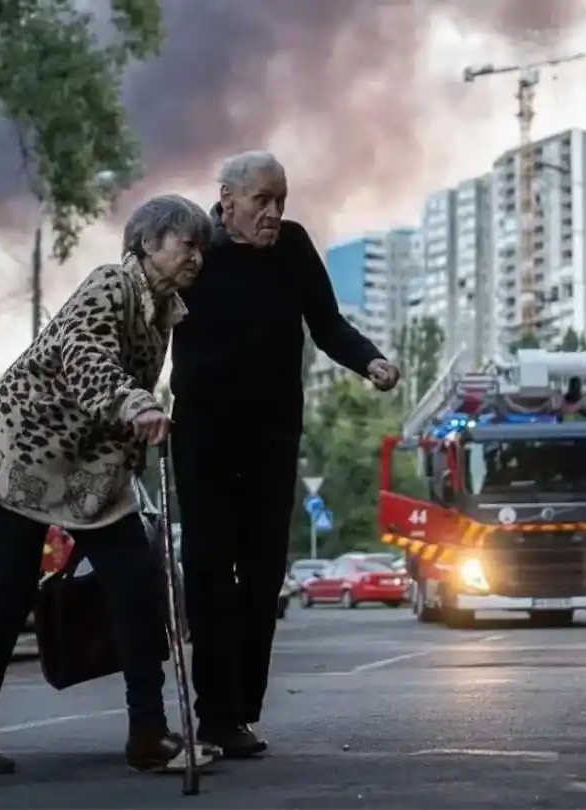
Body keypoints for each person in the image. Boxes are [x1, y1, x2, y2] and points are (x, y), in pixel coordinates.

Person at [0, 194, 216, 775]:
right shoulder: (109, 286)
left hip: (92, 473)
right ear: (148, 243)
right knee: (12, 592)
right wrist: (135, 401)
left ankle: (148, 734)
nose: (196, 256)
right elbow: (86, 357)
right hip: (27, 456)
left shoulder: (163, 309)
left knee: (136, 586)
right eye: (186, 243)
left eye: (201, 247)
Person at [170, 150, 400, 758]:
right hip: (204, 438)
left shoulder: (294, 249)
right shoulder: (196, 251)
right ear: (227, 201)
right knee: (210, 573)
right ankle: (214, 713)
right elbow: (148, 320)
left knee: (265, 572)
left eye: (281, 201)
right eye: (261, 201)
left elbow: (326, 324)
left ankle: (242, 709)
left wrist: (369, 360)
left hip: (272, 438)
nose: (273, 214)